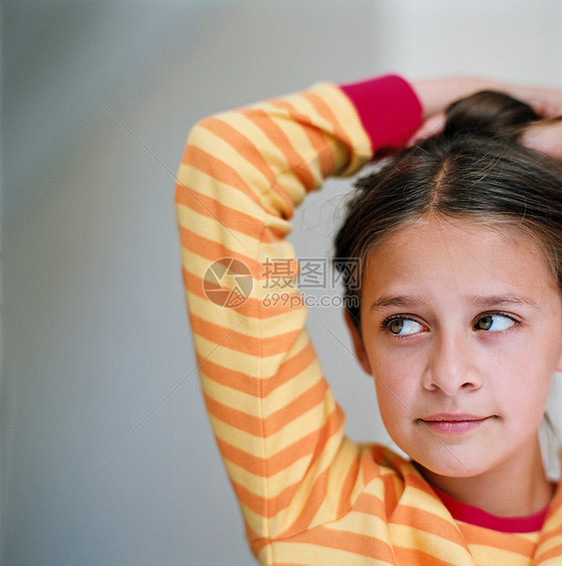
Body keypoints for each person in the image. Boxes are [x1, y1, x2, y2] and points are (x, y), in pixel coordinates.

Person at [176, 73, 562, 565]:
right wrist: (482, 92)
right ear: (359, 340)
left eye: (492, 320)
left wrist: (533, 141)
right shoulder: (318, 510)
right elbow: (227, 158)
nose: (448, 376)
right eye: (403, 324)